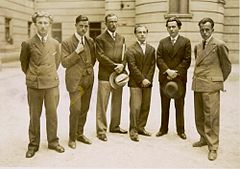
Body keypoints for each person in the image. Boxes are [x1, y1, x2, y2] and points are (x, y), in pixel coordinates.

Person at [20, 11, 65, 158]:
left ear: (50, 25)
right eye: (40, 23)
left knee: (52, 115)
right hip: (35, 85)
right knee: (34, 116)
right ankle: (33, 144)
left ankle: (53, 141)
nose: (43, 26)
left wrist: (49, 75)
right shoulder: (28, 43)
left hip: (51, 84)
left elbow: (56, 63)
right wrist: (33, 76)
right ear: (35, 25)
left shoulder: (55, 43)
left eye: (46, 23)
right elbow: (24, 64)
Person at [192, 17, 231, 161]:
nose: (204, 32)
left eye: (207, 30)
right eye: (202, 30)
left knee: (211, 117)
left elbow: (226, 66)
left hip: (211, 86)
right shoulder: (197, 46)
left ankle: (213, 147)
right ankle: (203, 138)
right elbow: (198, 63)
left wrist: (217, 80)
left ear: (212, 30)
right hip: (198, 84)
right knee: (199, 115)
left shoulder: (219, 45)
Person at [61, 15, 96, 149]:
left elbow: (93, 59)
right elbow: (64, 63)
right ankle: (72, 138)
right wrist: (76, 52)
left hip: (88, 80)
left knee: (85, 108)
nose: (83, 28)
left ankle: (80, 133)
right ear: (75, 25)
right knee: (75, 109)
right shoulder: (67, 42)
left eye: (86, 26)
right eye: (81, 26)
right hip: (75, 81)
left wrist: (88, 71)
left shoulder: (90, 41)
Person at [156, 17, 191, 140]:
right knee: (164, 104)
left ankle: (181, 130)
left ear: (179, 28)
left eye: (174, 26)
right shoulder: (162, 42)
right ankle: (163, 128)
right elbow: (159, 58)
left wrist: (176, 72)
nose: (171, 29)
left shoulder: (186, 42)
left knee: (179, 105)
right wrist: (167, 71)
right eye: (169, 27)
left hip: (179, 78)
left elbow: (187, 60)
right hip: (165, 78)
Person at [95, 13, 127, 141]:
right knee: (102, 103)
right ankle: (101, 130)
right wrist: (115, 65)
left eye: (115, 21)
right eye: (110, 22)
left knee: (117, 101)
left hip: (118, 76)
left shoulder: (121, 38)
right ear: (106, 23)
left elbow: (125, 55)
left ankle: (115, 125)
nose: (113, 24)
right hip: (105, 75)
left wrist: (122, 65)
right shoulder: (100, 38)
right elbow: (100, 56)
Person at [126, 25, 156, 142]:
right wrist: (142, 79)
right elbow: (132, 67)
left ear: (147, 33)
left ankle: (141, 127)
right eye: (139, 32)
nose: (142, 34)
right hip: (135, 82)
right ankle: (133, 130)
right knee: (135, 107)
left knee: (145, 106)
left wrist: (147, 79)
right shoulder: (131, 49)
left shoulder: (151, 49)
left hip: (147, 82)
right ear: (136, 34)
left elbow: (153, 66)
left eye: (144, 32)